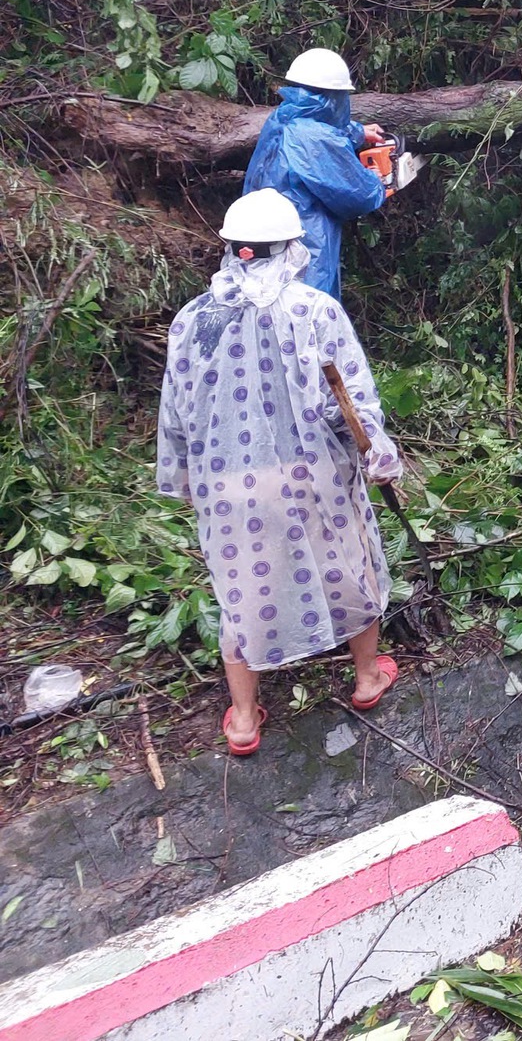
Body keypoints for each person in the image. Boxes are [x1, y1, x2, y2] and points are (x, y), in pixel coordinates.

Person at [157, 188, 403, 755]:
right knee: (348, 562)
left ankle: (244, 719)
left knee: (239, 589)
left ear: (234, 250)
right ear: (290, 249)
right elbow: (351, 402)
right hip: (310, 475)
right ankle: (366, 677)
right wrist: (377, 453)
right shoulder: (314, 311)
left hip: (228, 485)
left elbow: (176, 409)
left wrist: (187, 482)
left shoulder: (192, 321)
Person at [242, 47, 387, 301]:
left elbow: (320, 127)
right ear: (335, 97)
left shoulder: (281, 118)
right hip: (305, 245)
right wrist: (378, 181)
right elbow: (359, 196)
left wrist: (358, 133)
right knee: (310, 317)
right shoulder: (317, 139)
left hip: (259, 235)